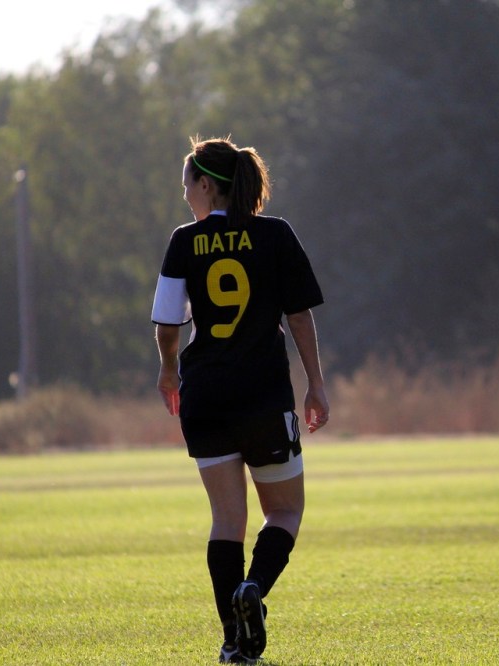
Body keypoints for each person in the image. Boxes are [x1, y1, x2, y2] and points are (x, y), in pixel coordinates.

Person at [151, 136, 329, 663]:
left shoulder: (184, 241)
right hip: (263, 395)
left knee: (227, 521)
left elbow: (167, 324)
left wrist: (168, 371)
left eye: (187, 184)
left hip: (205, 396)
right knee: (286, 511)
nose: (185, 195)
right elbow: (299, 316)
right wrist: (316, 383)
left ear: (208, 185)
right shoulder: (274, 234)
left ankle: (235, 640)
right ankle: (253, 589)